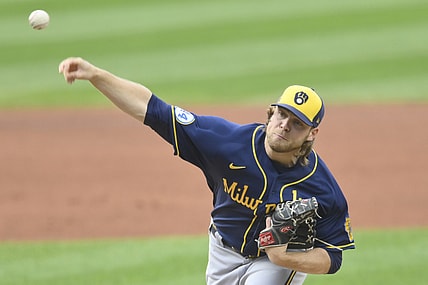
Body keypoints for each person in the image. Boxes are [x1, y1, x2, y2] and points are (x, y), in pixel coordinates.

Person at [59, 57, 355, 285]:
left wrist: (285, 257)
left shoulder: (322, 189)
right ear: (271, 112)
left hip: (273, 262)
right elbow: (152, 110)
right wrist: (96, 75)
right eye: (282, 114)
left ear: (312, 133)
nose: (285, 126)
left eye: (298, 124)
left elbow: (333, 256)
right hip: (222, 251)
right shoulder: (225, 142)